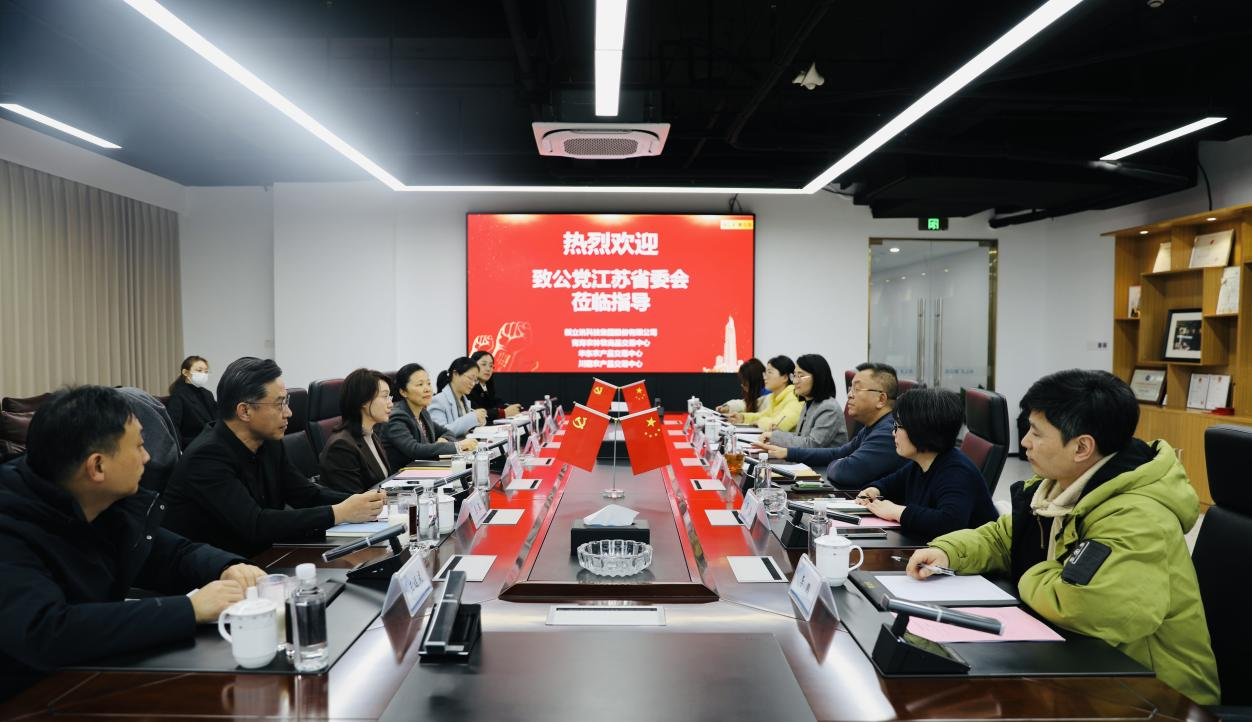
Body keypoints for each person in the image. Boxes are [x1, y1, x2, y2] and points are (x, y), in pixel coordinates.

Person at [907, 370, 1219, 705]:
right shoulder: (1059, 485)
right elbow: (1004, 537)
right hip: (1086, 666)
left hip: (1154, 694)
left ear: (1082, 447)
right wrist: (949, 551)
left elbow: (1087, 606)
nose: (1024, 442)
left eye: (1036, 433)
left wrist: (1030, 569)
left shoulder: (1136, 515)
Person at [0, 386, 265, 697]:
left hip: (88, 675)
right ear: (98, 466)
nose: (147, 456)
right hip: (28, 697)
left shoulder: (101, 501)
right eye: (139, 446)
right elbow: (46, 632)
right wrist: (189, 609)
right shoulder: (10, 525)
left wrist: (227, 567)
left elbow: (171, 555)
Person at [162, 357, 385, 557]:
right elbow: (255, 524)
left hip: (265, 555)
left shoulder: (268, 443)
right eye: (280, 404)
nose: (289, 412)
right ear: (245, 411)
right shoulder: (206, 457)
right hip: (221, 572)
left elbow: (306, 494)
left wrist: (362, 501)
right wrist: (339, 513)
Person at [855, 387, 996, 539]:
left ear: (921, 430)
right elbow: (890, 484)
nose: (893, 433)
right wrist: (874, 490)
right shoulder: (920, 463)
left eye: (898, 426)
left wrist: (897, 512)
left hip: (972, 553)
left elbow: (949, 523)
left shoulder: (957, 471)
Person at [757, 362, 908, 489]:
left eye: (857, 389)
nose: (849, 395)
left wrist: (838, 462)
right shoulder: (872, 427)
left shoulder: (889, 432)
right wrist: (788, 452)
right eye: (850, 389)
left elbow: (847, 472)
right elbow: (837, 453)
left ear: (881, 399)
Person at [382, 363, 478, 469]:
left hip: (424, 469)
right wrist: (458, 446)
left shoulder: (423, 413)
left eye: (428, 383)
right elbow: (414, 450)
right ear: (403, 392)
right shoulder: (396, 416)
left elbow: (447, 432)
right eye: (420, 384)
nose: (427, 389)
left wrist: (444, 439)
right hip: (403, 474)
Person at [318, 369, 395, 493]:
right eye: (385, 396)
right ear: (363, 401)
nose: (391, 404)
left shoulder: (371, 434)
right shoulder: (341, 446)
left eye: (389, 397)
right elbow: (355, 499)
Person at [761, 354, 847, 449]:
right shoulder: (809, 403)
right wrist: (779, 434)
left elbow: (811, 445)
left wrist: (776, 437)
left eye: (801, 376)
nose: (795, 381)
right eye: (794, 376)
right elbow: (801, 437)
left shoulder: (829, 408)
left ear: (817, 377)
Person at [728, 355, 802, 432]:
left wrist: (759, 422)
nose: (764, 377)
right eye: (765, 373)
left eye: (769, 372)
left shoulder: (794, 398)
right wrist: (742, 417)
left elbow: (776, 426)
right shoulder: (775, 398)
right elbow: (763, 415)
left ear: (785, 378)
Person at [429, 357, 487, 440]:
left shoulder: (464, 400)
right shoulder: (438, 400)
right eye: (470, 378)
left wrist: (478, 421)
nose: (473, 383)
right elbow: (441, 433)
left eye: (475, 380)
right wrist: (472, 418)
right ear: (455, 374)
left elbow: (464, 427)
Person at [166, 355, 217, 448]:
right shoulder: (178, 395)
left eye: (206, 372)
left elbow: (216, 419)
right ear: (185, 372)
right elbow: (173, 426)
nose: (203, 374)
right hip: (192, 444)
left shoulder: (207, 394)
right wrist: (178, 450)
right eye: (199, 370)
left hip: (212, 441)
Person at [467, 350, 521, 421]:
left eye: (491, 366)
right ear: (473, 366)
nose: (488, 369)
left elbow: (495, 402)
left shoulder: (487, 386)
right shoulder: (468, 387)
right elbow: (477, 413)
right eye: (483, 364)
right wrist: (504, 413)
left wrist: (510, 407)